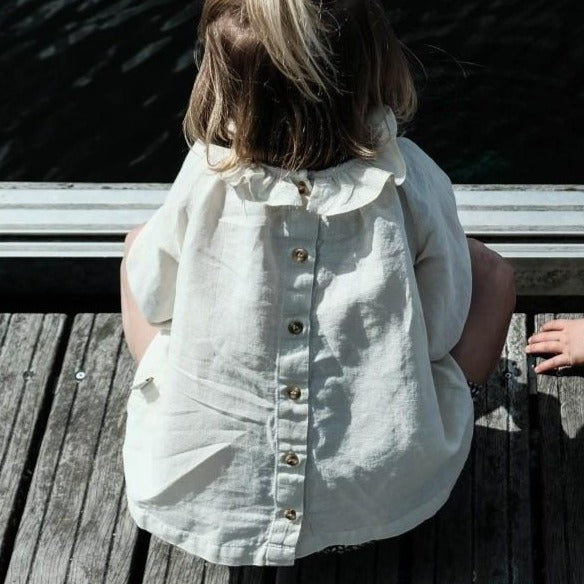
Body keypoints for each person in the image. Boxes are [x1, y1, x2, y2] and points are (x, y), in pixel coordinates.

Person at [120, 0, 516, 567]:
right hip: (388, 496)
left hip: (208, 502)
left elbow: (157, 301)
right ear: (376, 66)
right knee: (492, 273)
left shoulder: (204, 179)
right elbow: (439, 333)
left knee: (139, 246)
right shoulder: (409, 180)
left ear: (222, 84)